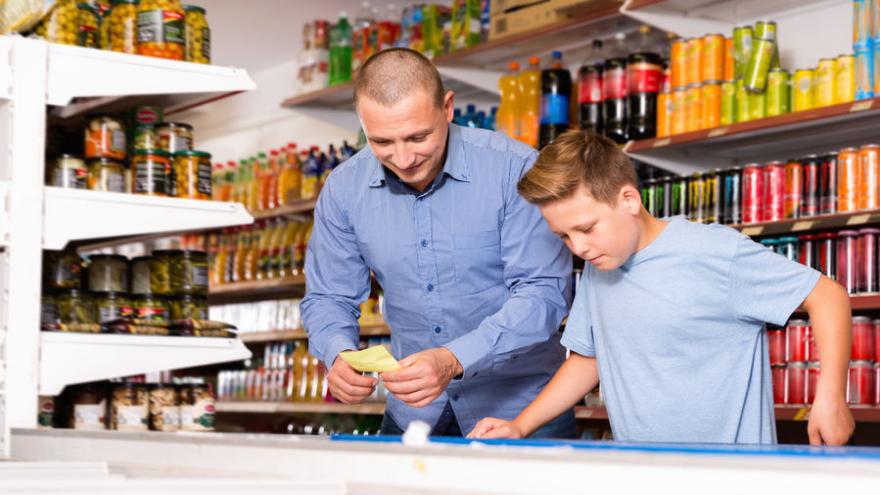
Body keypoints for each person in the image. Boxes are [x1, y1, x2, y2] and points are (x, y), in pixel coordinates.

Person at [469, 130, 855, 445]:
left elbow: (827, 296)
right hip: (645, 476)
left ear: (629, 199)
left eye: (586, 228)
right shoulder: (598, 267)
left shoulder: (714, 251)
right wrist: (520, 425)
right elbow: (588, 361)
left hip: (735, 478)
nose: (579, 247)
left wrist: (831, 397)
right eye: (564, 237)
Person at [301, 48, 575, 437]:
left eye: (418, 136)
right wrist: (338, 352)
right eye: (382, 142)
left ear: (447, 108)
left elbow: (543, 292)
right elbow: (328, 296)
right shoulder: (344, 189)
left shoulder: (514, 169)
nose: (403, 157)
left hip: (521, 412)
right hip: (413, 415)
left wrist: (453, 359)